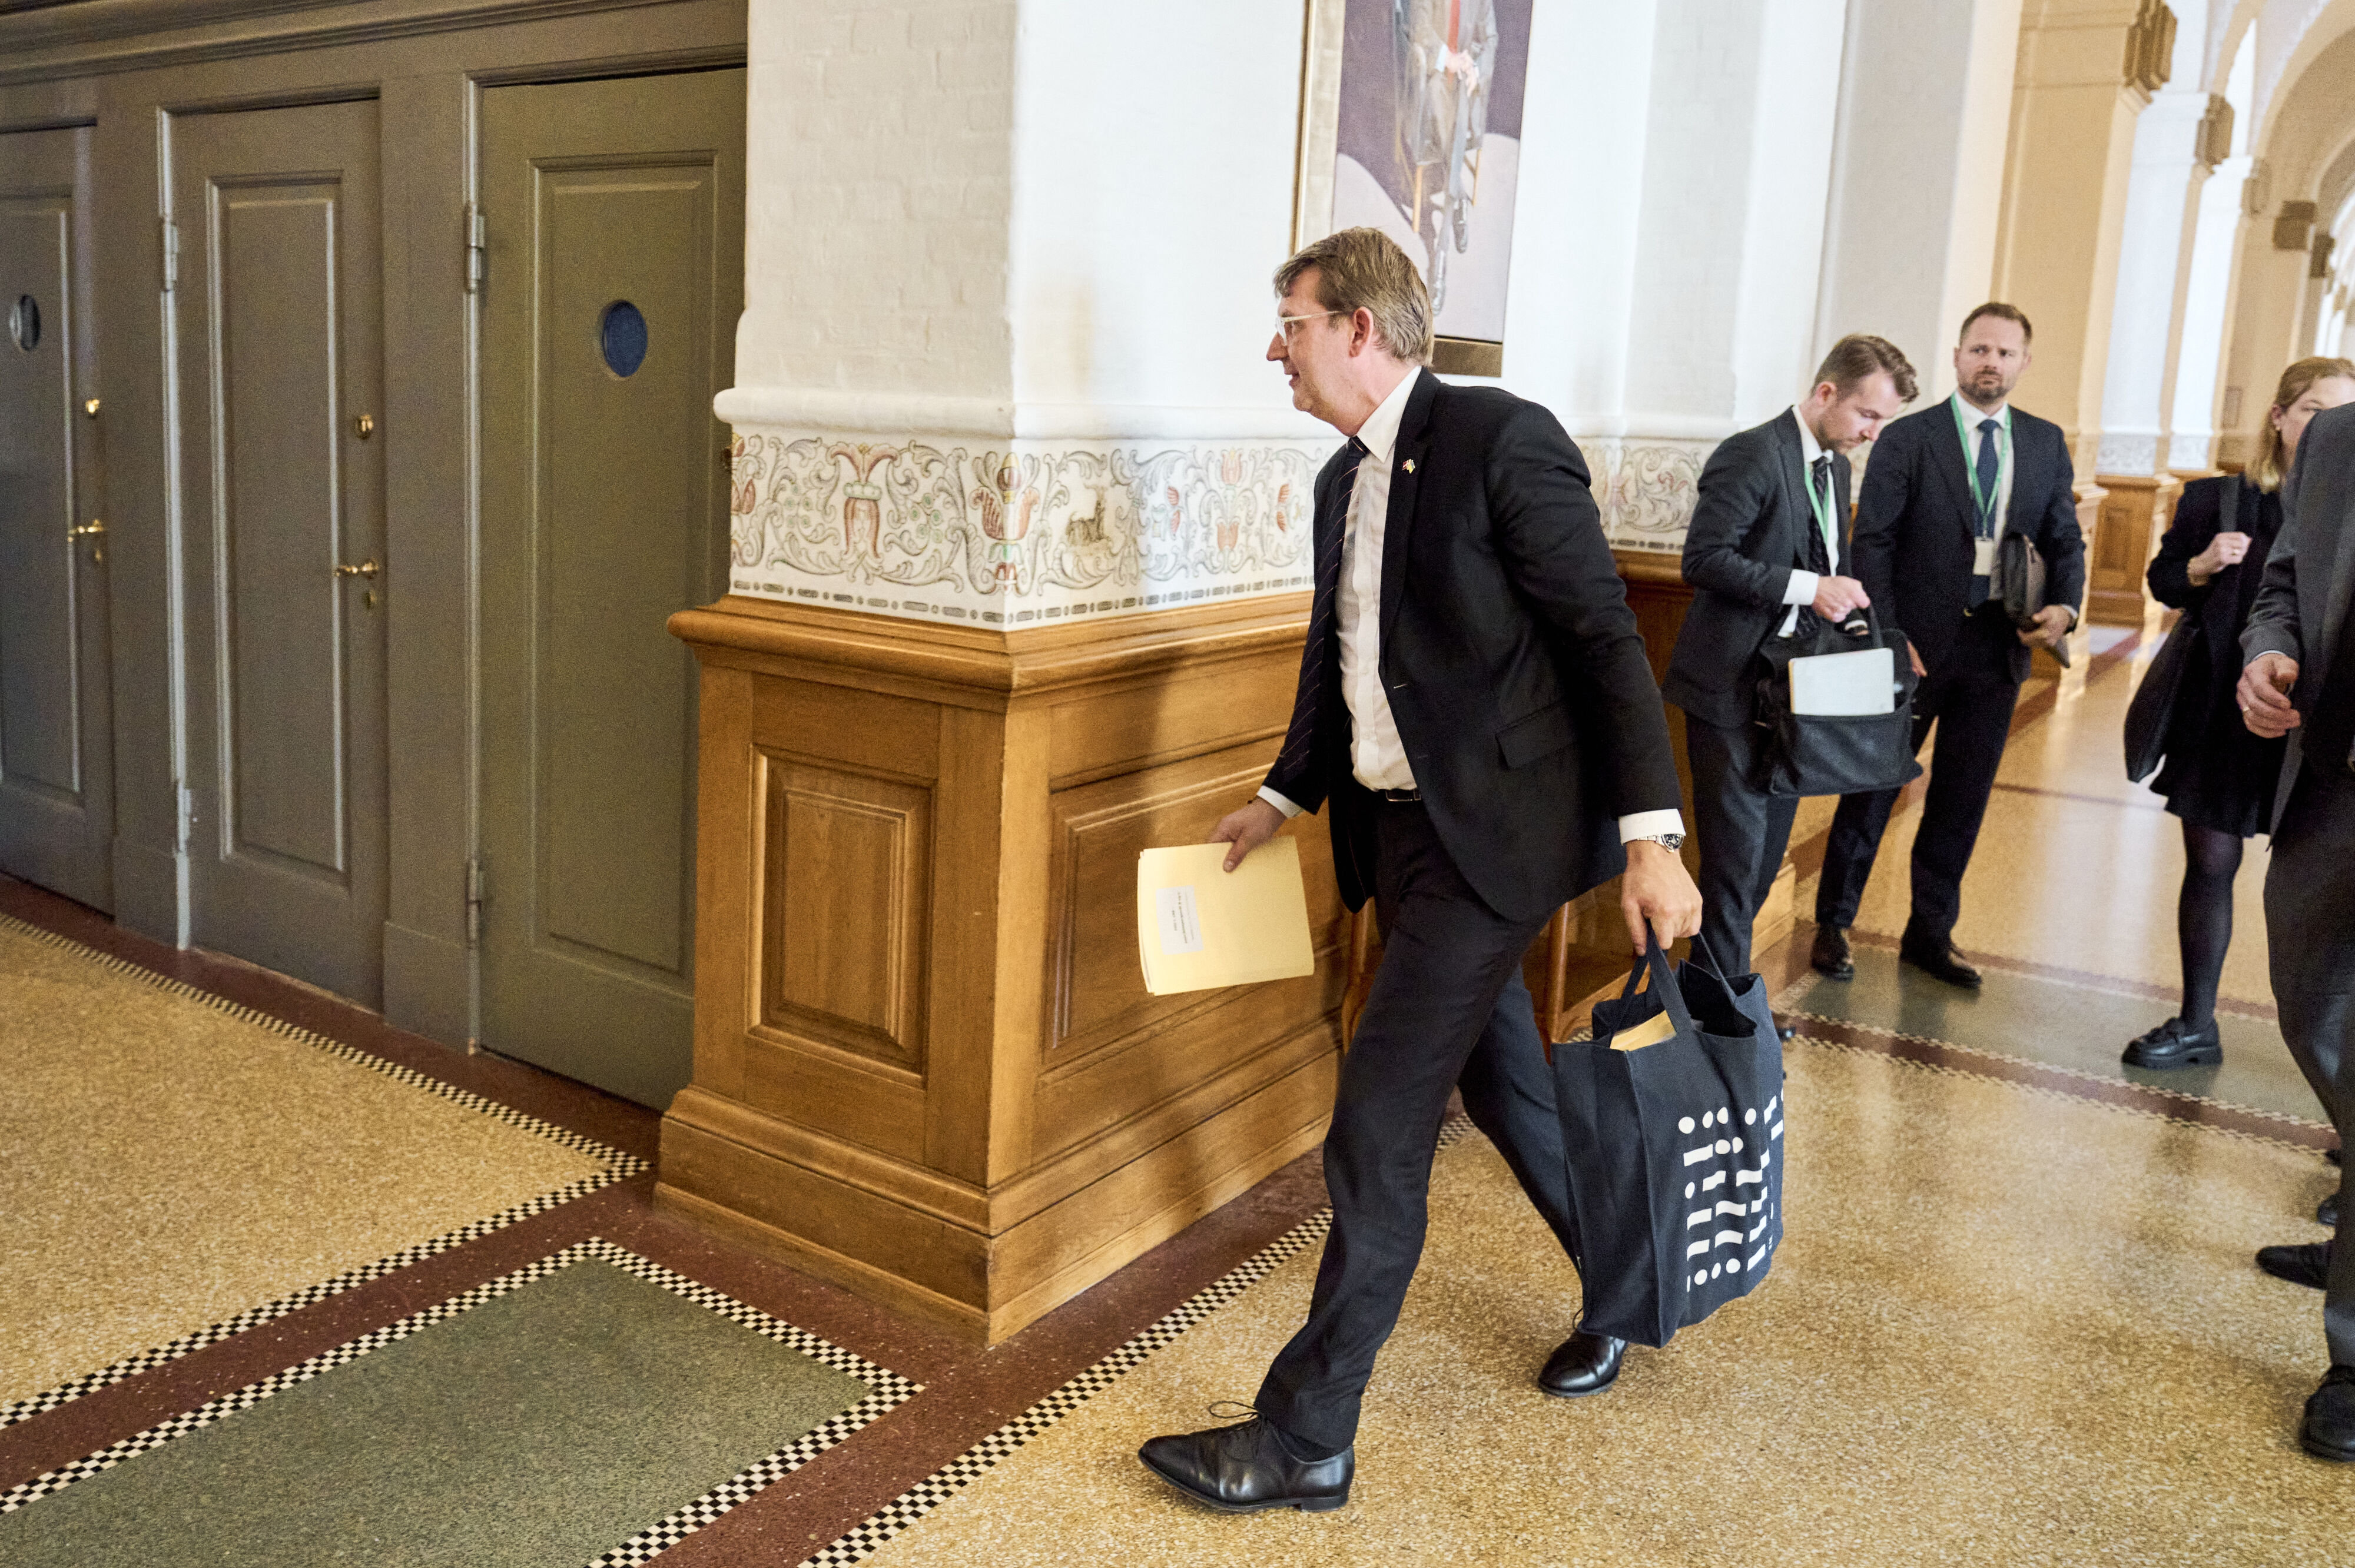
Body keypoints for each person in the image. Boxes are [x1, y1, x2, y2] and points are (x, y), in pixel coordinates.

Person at [1136, 228, 1703, 1514]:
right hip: (1398, 836)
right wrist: (1281, 794)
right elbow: (1338, 660)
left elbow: (1605, 641)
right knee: (1505, 1082)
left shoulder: (1501, 439)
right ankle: (1637, 1279)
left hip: (1492, 843)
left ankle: (1306, 1435)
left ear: (1358, 329)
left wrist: (1652, 837)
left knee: (1377, 1123)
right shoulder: (1343, 481)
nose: (1272, 347)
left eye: (1289, 322)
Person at [1809, 304, 2085, 988]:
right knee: (1872, 787)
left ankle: (1930, 935)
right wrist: (1888, 637)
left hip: (1997, 646)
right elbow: (1872, 543)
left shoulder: (2045, 443)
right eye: (1979, 349)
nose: (1991, 362)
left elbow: (2064, 539)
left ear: (2024, 364)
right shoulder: (1908, 437)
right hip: (1913, 646)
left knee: (1961, 799)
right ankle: (1833, 925)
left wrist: (2065, 608)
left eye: (2005, 352)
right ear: (1958, 356)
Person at [2125, 357, 2355, 1075]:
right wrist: (2200, 565)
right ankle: (2196, 1020)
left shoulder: (2342, 500)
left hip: (2312, 728)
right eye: (2314, 409)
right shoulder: (2219, 500)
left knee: (2317, 901)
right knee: (2211, 865)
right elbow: (2164, 582)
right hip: (2224, 713)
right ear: (2280, 418)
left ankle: (2330, 1061)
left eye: (2342, 411)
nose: (2328, 426)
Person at [1664, 334, 1916, 979]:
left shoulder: (1836, 466)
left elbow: (1833, 563)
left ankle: (1718, 1003)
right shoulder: (1752, 454)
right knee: (1732, 869)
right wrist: (1809, 588)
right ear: (1826, 392)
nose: (1872, 434)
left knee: (1760, 869)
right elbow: (1704, 560)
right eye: (1867, 415)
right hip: (1730, 691)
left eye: (1883, 421)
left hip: (1792, 696)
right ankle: (1726, 1020)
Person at [2236, 398, 2355, 1463]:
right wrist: (2267, 653)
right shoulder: (2335, 439)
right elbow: (2284, 581)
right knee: (2313, 1017)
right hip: (2329, 793)